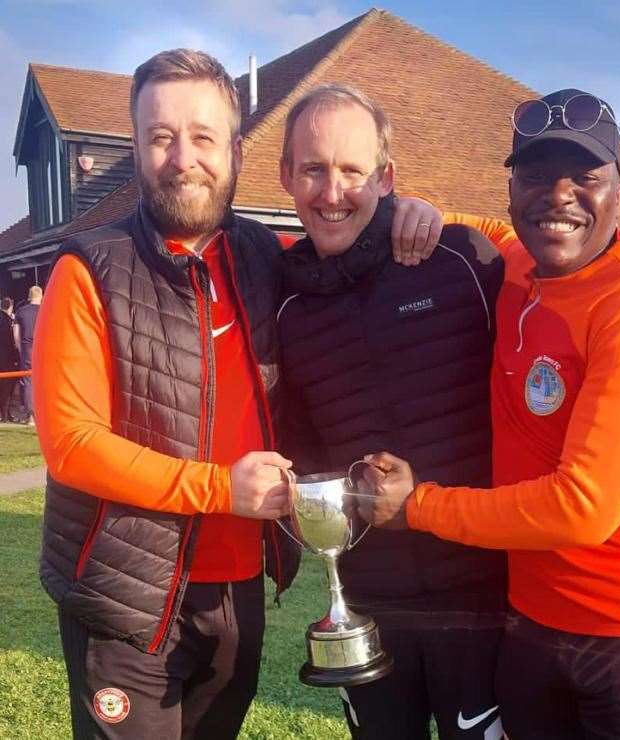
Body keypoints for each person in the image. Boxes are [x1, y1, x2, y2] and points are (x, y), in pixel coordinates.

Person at [33, 50, 439, 740]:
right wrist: (219, 489)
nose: (181, 157)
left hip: (236, 593)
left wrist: (412, 211)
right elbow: (72, 446)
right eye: (160, 137)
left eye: (202, 136)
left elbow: (347, 231)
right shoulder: (89, 269)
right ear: (135, 147)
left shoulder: (267, 257)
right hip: (126, 602)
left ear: (236, 151)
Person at [360, 89, 620, 739]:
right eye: (534, 176)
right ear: (511, 187)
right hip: (532, 622)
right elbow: (487, 230)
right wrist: (413, 211)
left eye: (585, 177)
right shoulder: (520, 264)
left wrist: (416, 506)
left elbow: (580, 508)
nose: (557, 195)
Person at [277, 84, 507, 740]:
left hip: (483, 598)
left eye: (352, 171)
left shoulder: (463, 259)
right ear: (286, 175)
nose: (331, 192)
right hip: (367, 601)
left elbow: (568, 263)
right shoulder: (281, 298)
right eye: (314, 169)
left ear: (386, 178)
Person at [14, 285, 41, 424]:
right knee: (45, 379)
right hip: (43, 349)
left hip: (27, 349)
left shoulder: (20, 311)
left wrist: (20, 350)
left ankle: (31, 416)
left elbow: (16, 336)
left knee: (28, 381)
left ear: (29, 296)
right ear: (41, 296)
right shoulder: (46, 310)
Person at [0, 296, 19, 422]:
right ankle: (5, 414)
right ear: (10, 307)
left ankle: (4, 413)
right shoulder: (8, 321)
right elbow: (12, 341)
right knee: (7, 387)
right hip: (7, 358)